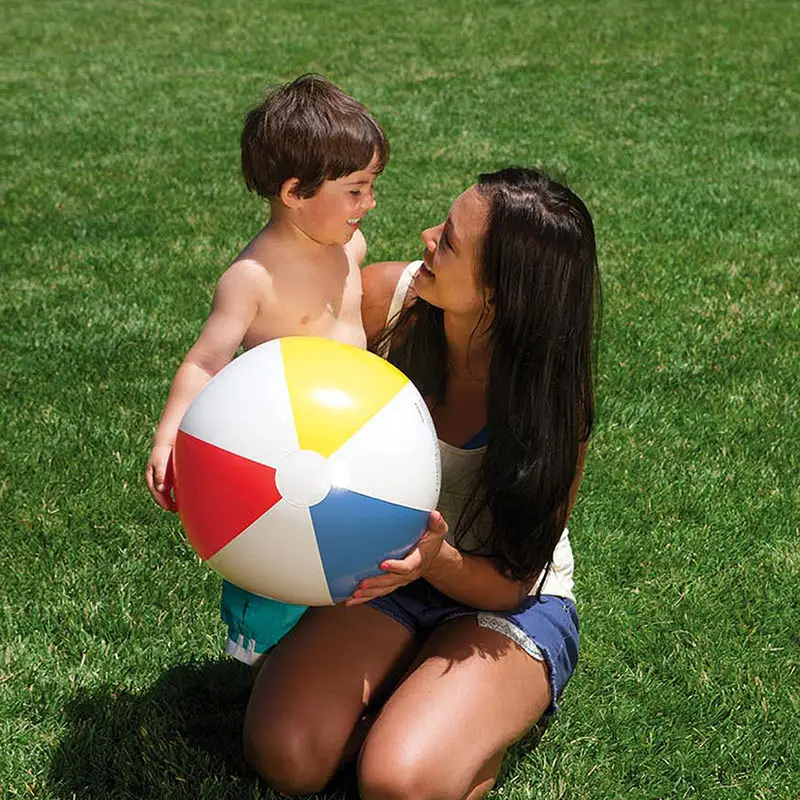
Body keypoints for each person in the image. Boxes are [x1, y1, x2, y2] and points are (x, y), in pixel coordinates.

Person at [242, 166, 601, 800]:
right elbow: (283, 391)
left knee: (397, 783)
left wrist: (436, 560)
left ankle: (447, 725)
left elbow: (515, 581)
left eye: (451, 242)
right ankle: (413, 698)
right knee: (285, 753)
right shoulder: (386, 302)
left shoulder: (552, 404)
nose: (427, 236)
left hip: (503, 601)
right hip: (383, 574)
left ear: (499, 295)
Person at [145, 74, 389, 664]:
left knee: (349, 555)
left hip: (348, 439)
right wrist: (170, 434)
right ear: (295, 192)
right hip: (279, 456)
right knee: (278, 564)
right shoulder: (254, 279)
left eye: (372, 187)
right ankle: (251, 653)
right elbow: (206, 360)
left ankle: (331, 653)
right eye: (356, 190)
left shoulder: (348, 249)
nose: (370, 203)